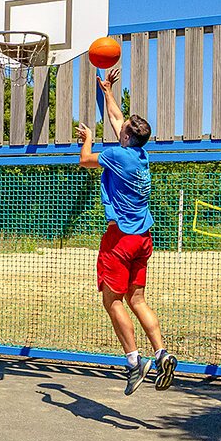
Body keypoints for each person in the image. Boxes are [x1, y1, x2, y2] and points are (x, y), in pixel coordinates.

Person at [76, 68, 178, 395]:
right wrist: (107, 91)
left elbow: (86, 161)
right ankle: (161, 352)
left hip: (120, 238)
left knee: (112, 301)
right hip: (144, 239)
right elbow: (119, 119)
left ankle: (134, 363)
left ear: (125, 138)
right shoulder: (141, 153)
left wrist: (88, 139)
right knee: (137, 298)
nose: (119, 126)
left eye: (123, 128)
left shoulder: (117, 155)